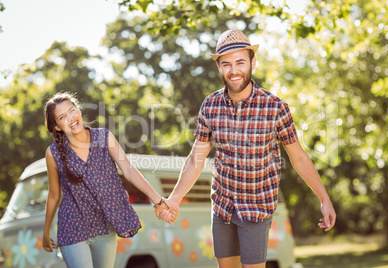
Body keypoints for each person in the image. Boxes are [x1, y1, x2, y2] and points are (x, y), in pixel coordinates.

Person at [162, 29, 336, 268]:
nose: (234, 70)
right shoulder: (210, 105)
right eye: (226, 64)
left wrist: (324, 198)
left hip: (256, 206)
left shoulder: (275, 107)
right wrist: (175, 199)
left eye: (240, 62)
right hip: (222, 206)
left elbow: (298, 158)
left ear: (253, 62)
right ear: (219, 67)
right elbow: (196, 158)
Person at [42, 92, 176, 268]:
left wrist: (158, 200)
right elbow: (53, 195)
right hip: (72, 227)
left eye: (72, 110)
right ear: (57, 127)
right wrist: (46, 232)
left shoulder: (104, 137)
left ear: (79, 111)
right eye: (62, 117)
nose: (71, 118)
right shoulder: (53, 154)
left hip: (104, 226)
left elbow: (128, 169)